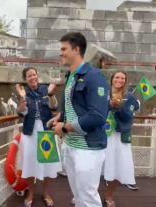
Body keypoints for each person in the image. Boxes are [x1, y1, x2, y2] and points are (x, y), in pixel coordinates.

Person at [49, 32, 109, 207]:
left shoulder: (94, 77)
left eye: (63, 49)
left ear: (76, 50)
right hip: (71, 146)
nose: (60, 53)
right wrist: (60, 117)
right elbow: (75, 107)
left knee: (88, 197)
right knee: (79, 196)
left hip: (88, 149)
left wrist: (65, 128)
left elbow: (97, 116)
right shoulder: (71, 76)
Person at [16, 66, 61, 207]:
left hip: (46, 131)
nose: (33, 77)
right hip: (30, 132)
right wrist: (23, 98)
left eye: (34, 74)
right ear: (25, 79)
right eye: (29, 76)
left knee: (47, 163)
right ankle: (30, 193)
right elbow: (22, 113)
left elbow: (54, 107)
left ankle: (45, 192)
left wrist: (51, 94)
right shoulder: (24, 92)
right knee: (29, 162)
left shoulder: (45, 90)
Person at [103, 71, 139, 207]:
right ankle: (88, 193)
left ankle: (109, 195)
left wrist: (118, 107)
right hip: (101, 132)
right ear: (112, 79)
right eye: (117, 77)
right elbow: (95, 110)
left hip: (118, 134)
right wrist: (109, 104)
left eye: (122, 78)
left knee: (116, 166)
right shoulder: (102, 92)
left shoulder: (129, 97)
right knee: (95, 164)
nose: (119, 80)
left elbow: (128, 117)